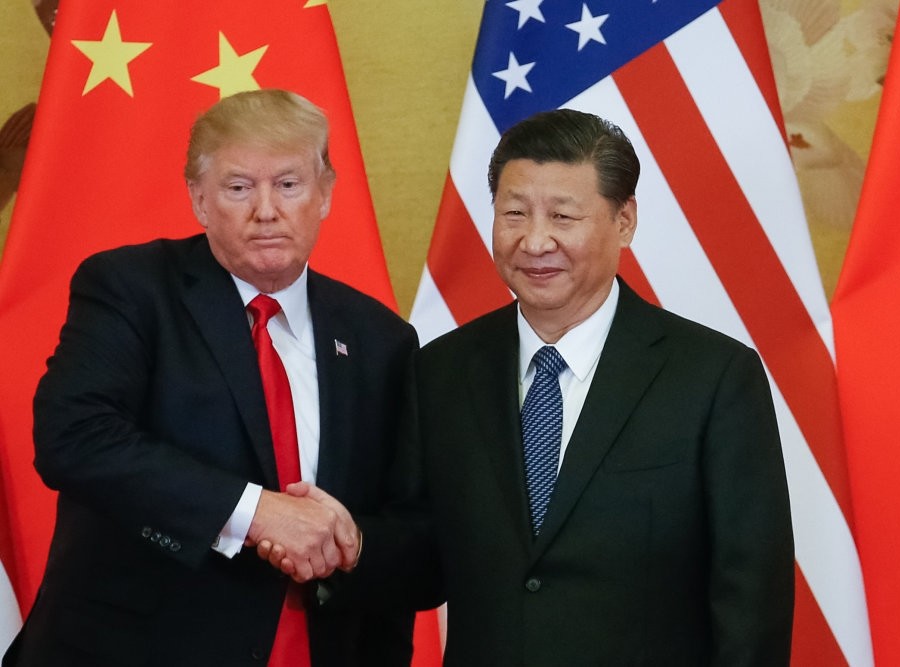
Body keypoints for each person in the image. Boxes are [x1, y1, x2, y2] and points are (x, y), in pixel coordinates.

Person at [3, 89, 430, 666]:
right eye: (238, 188)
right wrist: (257, 513)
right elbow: (73, 437)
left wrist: (352, 544)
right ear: (199, 199)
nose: (266, 210)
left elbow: (413, 534)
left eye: (288, 184)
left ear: (326, 193)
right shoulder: (131, 288)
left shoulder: (382, 339)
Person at [413, 109, 795, 665]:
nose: (534, 241)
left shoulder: (713, 378)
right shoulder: (441, 371)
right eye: (514, 213)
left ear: (624, 221)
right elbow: (421, 560)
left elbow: (751, 600)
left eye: (563, 216)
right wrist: (343, 541)